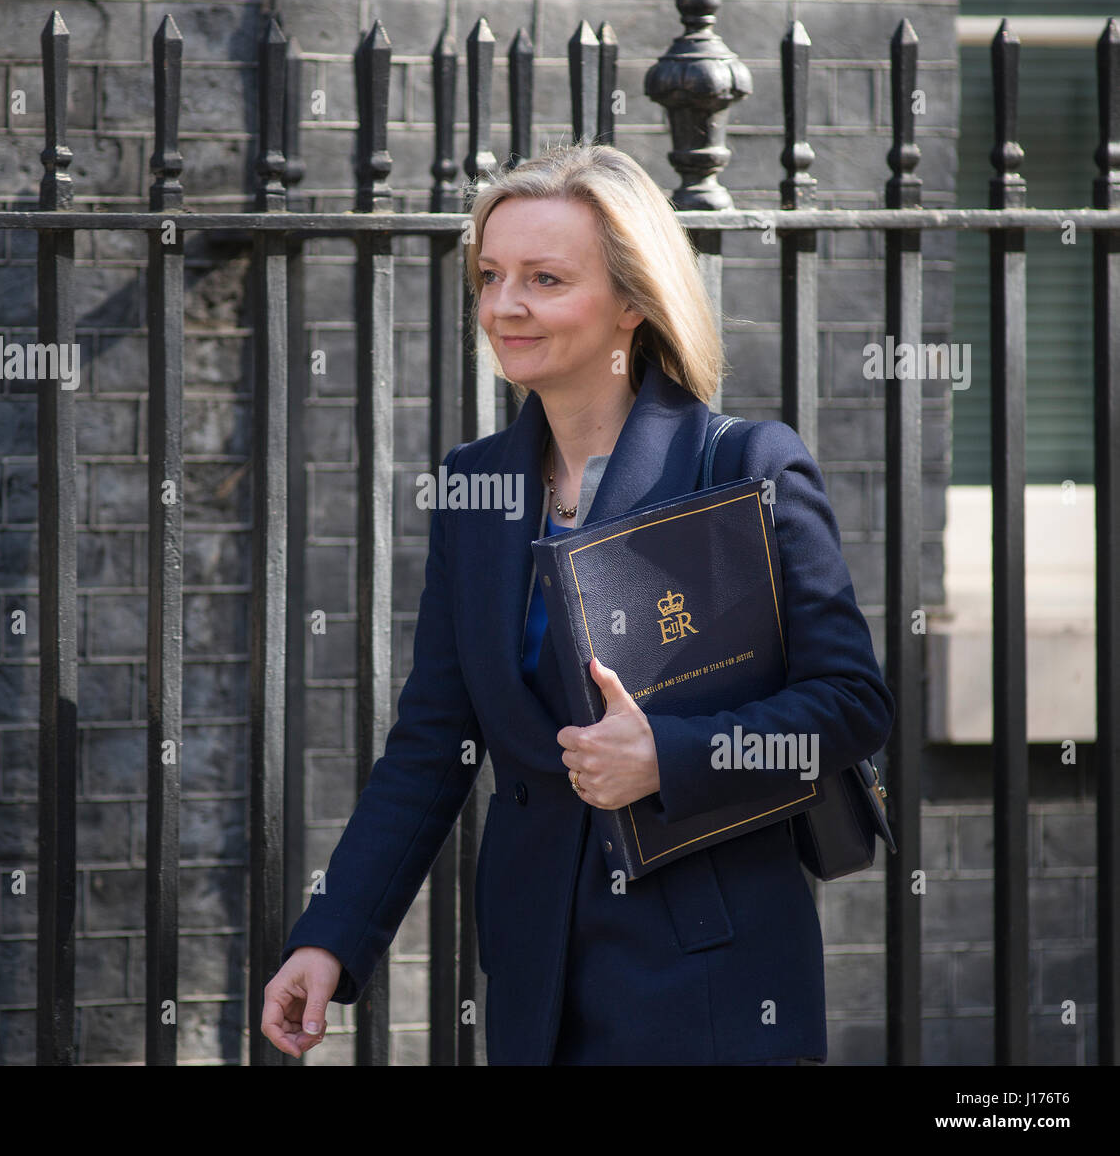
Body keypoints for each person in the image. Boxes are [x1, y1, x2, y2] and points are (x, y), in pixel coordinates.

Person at [261, 141, 895, 1065]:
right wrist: (331, 938)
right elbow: (434, 742)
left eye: (545, 279)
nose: (504, 306)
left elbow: (852, 704)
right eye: (491, 276)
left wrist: (668, 756)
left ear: (632, 303)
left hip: (711, 976)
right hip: (532, 976)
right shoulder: (474, 490)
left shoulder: (745, 466)